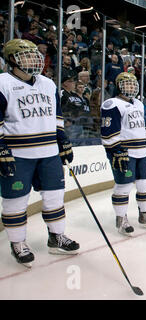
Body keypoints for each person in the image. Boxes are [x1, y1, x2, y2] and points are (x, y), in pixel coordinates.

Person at [0, 39, 79, 267]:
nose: (34, 59)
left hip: (48, 152)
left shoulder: (48, 83)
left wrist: (62, 139)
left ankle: (56, 237)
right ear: (12, 59)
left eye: (35, 54)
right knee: (15, 201)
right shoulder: (2, 83)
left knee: (55, 197)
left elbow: (57, 116)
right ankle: (17, 243)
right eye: (26, 55)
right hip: (18, 154)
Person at [100, 72, 146, 236]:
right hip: (125, 151)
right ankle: (121, 219)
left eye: (134, 84)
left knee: (145, 184)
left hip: (140, 151)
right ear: (119, 86)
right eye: (127, 84)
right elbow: (108, 132)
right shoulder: (111, 104)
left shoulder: (139, 104)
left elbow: (141, 127)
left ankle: (144, 214)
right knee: (124, 186)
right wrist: (116, 150)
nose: (132, 87)